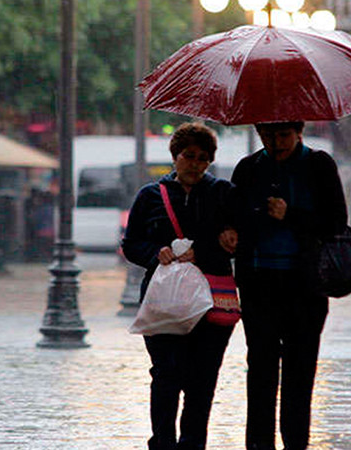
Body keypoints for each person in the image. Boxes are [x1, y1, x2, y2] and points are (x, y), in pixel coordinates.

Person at [227, 121, 347, 450]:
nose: (275, 142)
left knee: (299, 371)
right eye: (267, 135)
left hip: (305, 288)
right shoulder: (249, 168)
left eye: (282, 135)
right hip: (258, 285)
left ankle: (296, 443)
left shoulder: (319, 165)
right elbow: (234, 215)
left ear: (298, 132)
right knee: (261, 371)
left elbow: (335, 222)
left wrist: (290, 214)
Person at [122, 122, 238, 450]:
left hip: (210, 303)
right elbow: (131, 243)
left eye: (203, 159)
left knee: (202, 380)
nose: (195, 164)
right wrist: (153, 253)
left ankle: (192, 443)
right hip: (162, 302)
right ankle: (162, 442)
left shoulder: (222, 194)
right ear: (175, 156)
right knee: (166, 375)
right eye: (189, 156)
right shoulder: (150, 196)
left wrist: (202, 249)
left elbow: (234, 240)